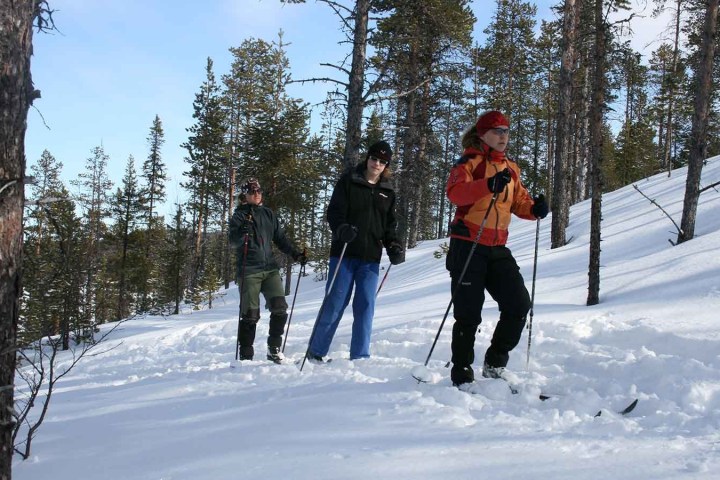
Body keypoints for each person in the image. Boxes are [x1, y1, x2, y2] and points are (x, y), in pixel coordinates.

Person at [445, 110, 549, 386]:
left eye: (506, 131)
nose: (503, 136)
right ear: (482, 134)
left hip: (497, 246)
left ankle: (494, 363)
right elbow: (455, 193)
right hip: (468, 244)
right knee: (468, 312)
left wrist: (535, 209)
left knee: (518, 304)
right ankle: (462, 372)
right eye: (497, 131)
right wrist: (487, 185)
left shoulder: (510, 169)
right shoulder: (469, 163)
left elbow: (519, 203)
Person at [307, 140, 405, 362]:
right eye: (374, 158)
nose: (377, 163)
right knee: (335, 302)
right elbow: (334, 213)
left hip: (370, 258)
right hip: (344, 253)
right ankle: (315, 352)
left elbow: (389, 225)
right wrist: (342, 229)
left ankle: (360, 357)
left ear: (386, 165)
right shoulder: (349, 181)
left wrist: (394, 245)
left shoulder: (387, 192)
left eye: (382, 161)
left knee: (366, 306)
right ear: (367, 158)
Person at [229, 177, 307, 364]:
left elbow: (280, 238)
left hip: (270, 269)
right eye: (252, 192)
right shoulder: (239, 215)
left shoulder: (268, 214)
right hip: (249, 270)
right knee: (250, 314)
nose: (256, 194)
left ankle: (274, 349)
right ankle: (246, 357)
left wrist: (295, 253)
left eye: (259, 191)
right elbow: (233, 241)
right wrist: (242, 232)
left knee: (280, 308)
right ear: (245, 195)